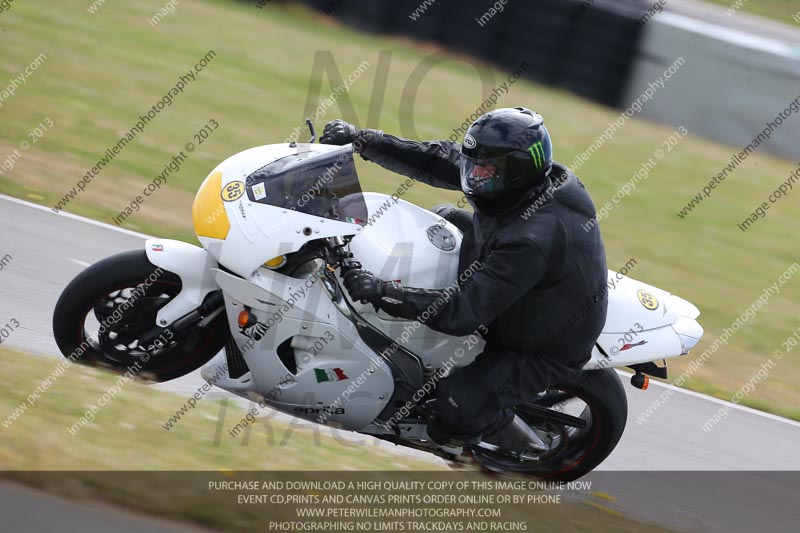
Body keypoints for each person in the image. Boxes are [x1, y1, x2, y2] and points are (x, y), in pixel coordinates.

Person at [320, 107, 608, 456]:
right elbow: (440, 159)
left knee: (458, 406)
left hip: (541, 343)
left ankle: (510, 445)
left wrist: (383, 292)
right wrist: (365, 139)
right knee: (443, 218)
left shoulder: (533, 237)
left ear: (516, 171)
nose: (474, 177)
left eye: (485, 171)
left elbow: (465, 313)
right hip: (515, 278)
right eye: (474, 165)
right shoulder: (516, 181)